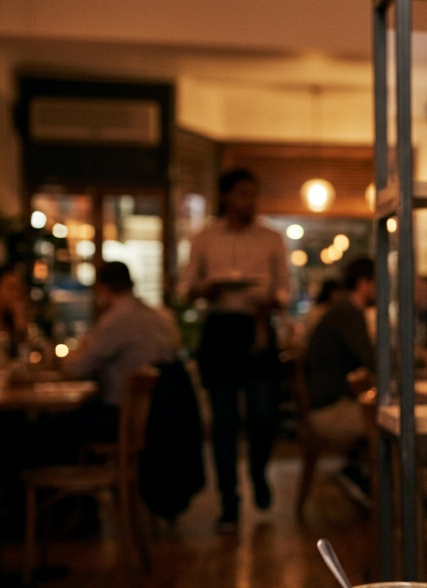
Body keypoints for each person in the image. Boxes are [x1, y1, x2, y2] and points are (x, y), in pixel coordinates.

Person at [179, 169, 288, 530]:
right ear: (225, 197)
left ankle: (258, 472)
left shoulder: (271, 238)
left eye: (253, 194)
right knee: (224, 423)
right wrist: (206, 289)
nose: (249, 202)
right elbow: (184, 290)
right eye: (242, 194)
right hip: (220, 329)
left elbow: (285, 290)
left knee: (263, 415)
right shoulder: (204, 238)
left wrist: (272, 299)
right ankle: (229, 502)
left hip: (257, 326)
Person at [59, 261, 179, 441]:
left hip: (120, 419)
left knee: (45, 427)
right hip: (160, 420)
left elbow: (77, 369)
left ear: (102, 288)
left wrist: (70, 356)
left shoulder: (116, 319)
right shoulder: (158, 316)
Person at [304, 257, 375, 454]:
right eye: (378, 282)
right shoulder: (348, 313)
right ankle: (391, 482)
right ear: (363, 283)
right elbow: (372, 361)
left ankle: (362, 475)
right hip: (330, 411)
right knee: (399, 422)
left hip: (329, 404)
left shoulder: (344, 309)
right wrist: (418, 362)